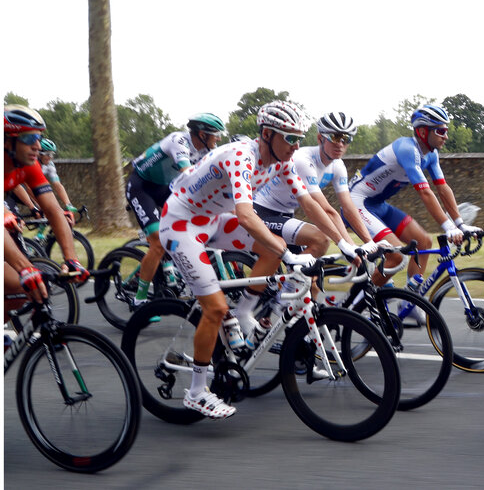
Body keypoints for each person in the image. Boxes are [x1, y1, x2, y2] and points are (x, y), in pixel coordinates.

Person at [158, 100, 313, 419]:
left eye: (299, 139)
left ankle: (242, 314)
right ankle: (198, 391)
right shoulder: (242, 155)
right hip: (180, 222)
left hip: (211, 219)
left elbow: (308, 201)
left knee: (274, 245)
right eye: (290, 138)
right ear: (268, 134)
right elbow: (245, 215)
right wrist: (289, 257)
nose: (295, 146)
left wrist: (347, 244)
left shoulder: (280, 160)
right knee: (214, 308)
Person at [239, 111, 378, 321]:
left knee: (311, 281)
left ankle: (302, 334)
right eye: (335, 137)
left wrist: (369, 243)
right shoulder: (303, 160)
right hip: (262, 211)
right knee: (319, 241)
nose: (341, 143)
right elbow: (327, 210)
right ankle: (281, 303)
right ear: (320, 137)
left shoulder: (338, 166)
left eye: (346, 138)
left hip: (284, 214)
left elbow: (347, 208)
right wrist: (348, 246)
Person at [347, 103, 481, 297]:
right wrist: (448, 228)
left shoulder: (431, 155)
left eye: (446, 130)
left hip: (377, 205)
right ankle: (358, 303)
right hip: (357, 203)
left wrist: (460, 224)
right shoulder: (407, 149)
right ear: (422, 132)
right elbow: (426, 193)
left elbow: (442, 188)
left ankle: (410, 302)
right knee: (396, 256)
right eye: (441, 131)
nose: (446, 136)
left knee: (423, 242)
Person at [125, 113, 226, 308]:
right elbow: (189, 176)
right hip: (141, 187)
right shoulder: (178, 140)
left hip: (164, 187)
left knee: (182, 228)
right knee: (157, 243)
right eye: (216, 134)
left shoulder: (205, 151)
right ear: (202, 134)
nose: (219, 138)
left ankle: (168, 266)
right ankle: (140, 298)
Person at [4, 105, 85, 318]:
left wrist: (71, 259)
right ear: (7, 140)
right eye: (30, 139)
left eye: (39, 138)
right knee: (25, 277)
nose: (38, 147)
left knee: (27, 290)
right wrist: (24, 267)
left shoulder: (29, 166)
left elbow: (53, 210)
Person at [36, 139, 78, 226]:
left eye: (52, 154)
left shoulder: (50, 165)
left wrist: (68, 204)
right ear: (39, 154)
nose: (50, 157)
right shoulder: (33, 163)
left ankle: (40, 235)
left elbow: (57, 185)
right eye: (48, 154)